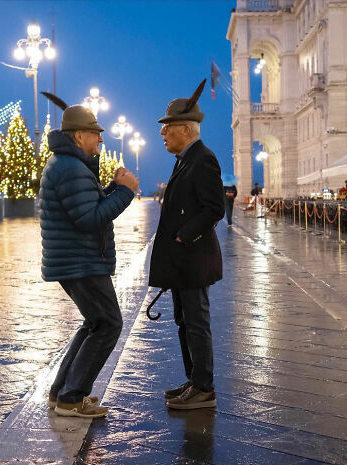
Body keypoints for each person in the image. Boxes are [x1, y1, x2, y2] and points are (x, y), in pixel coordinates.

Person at [39, 93, 139, 419]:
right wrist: (126, 192)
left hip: (76, 260)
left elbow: (87, 205)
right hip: (81, 261)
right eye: (96, 133)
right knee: (109, 324)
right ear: (79, 136)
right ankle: (72, 396)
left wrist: (110, 187)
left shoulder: (68, 165)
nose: (100, 137)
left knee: (94, 322)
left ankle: (62, 391)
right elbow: (89, 219)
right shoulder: (70, 168)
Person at [149, 79, 225, 410]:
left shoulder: (203, 158)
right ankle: (193, 379)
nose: (163, 134)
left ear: (185, 129)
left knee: (196, 322)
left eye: (168, 128)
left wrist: (184, 235)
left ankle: (204, 387)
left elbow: (214, 208)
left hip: (194, 258)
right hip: (182, 260)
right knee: (184, 321)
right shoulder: (185, 159)